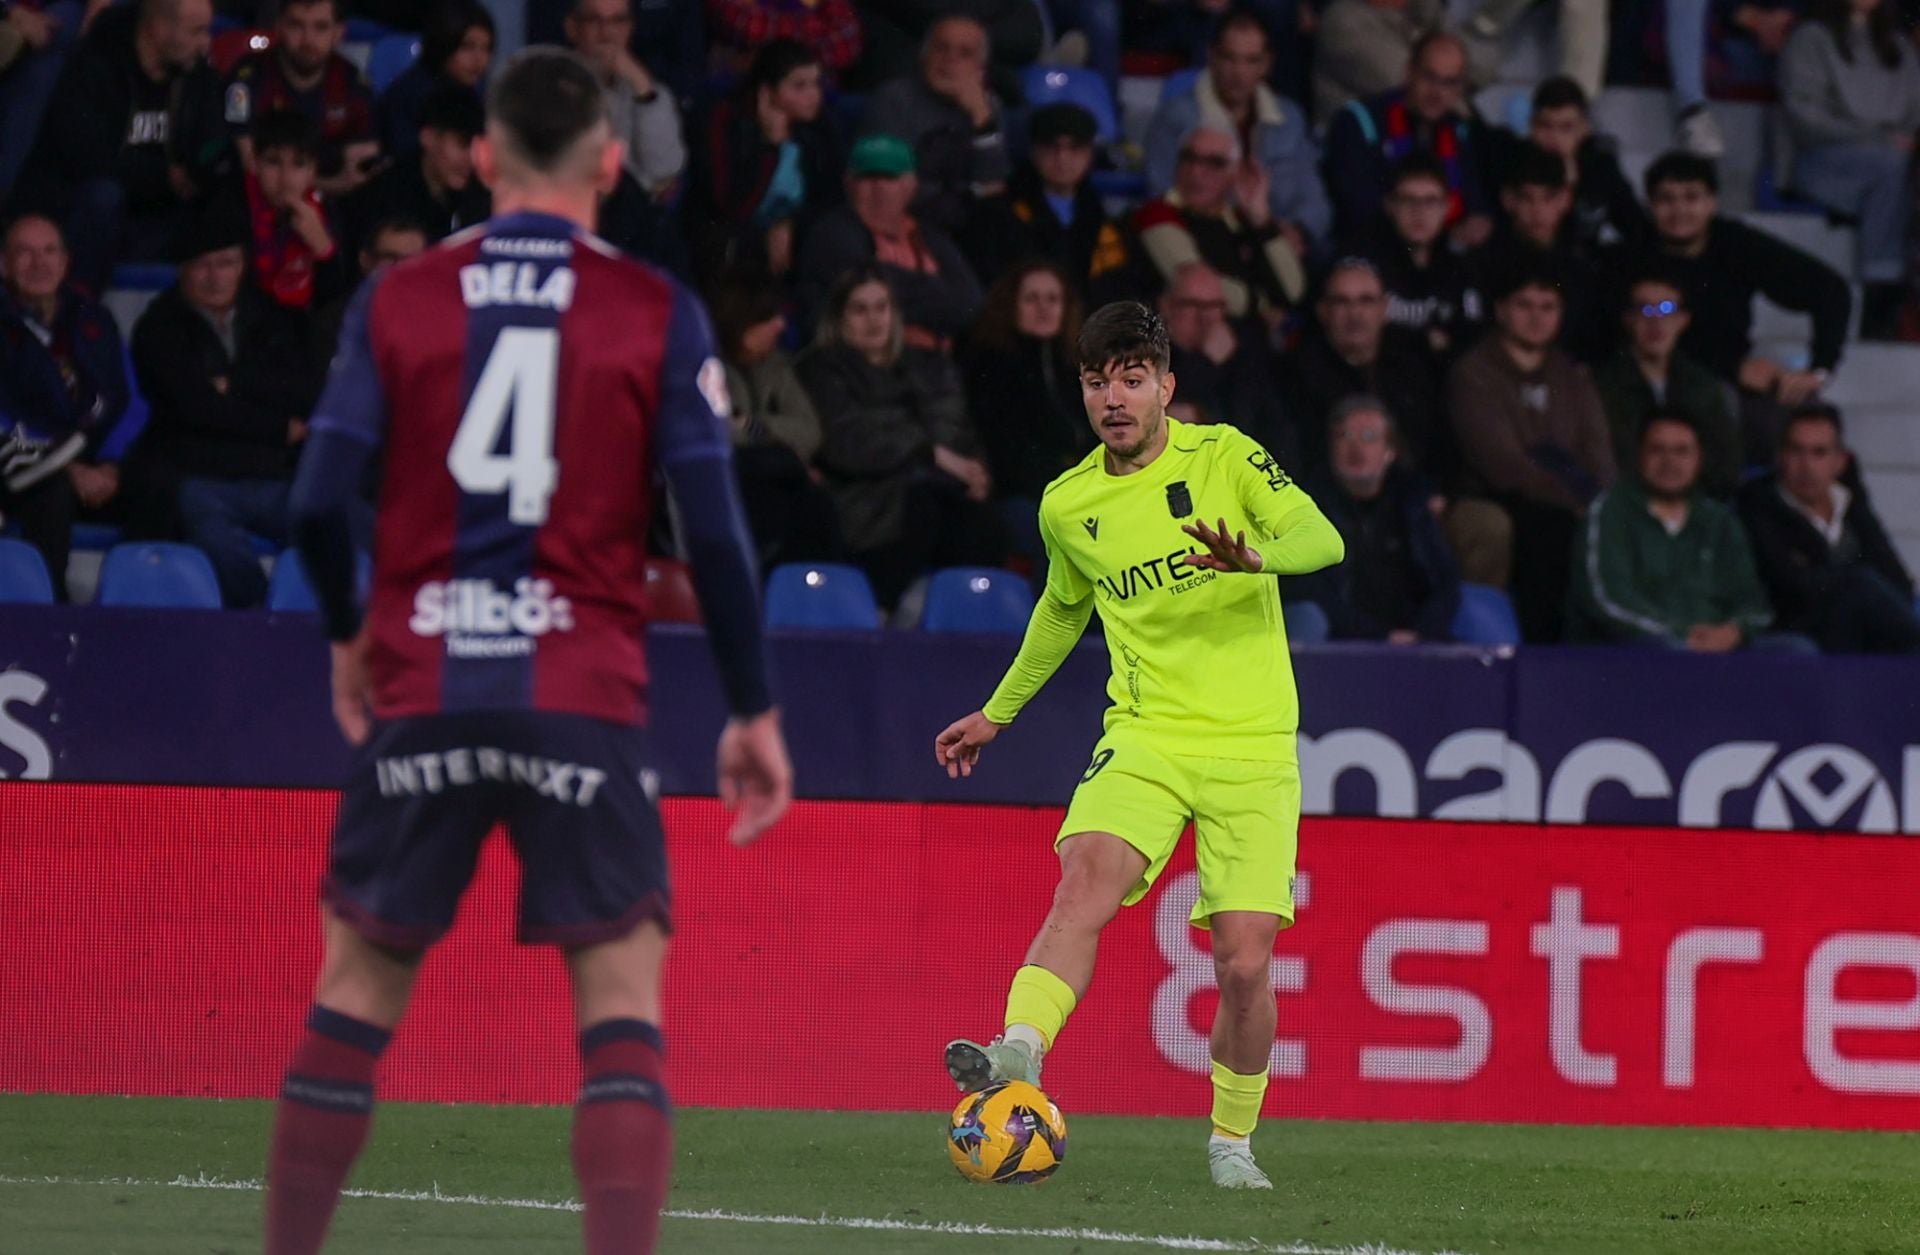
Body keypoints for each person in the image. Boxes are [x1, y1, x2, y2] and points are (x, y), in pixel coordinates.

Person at [266, 48, 792, 1255]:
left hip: (423, 684)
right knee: (618, 1004)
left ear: (485, 160)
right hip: (580, 699)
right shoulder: (656, 308)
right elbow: (713, 531)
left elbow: (309, 504)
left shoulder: (398, 297)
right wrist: (753, 707)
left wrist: (353, 638)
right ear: (611, 163)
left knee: (354, 995)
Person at [932, 300, 1342, 1192]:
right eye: (1095, 380)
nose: (1113, 397)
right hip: (1147, 732)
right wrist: (998, 712)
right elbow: (1059, 609)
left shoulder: (1226, 455)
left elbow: (1324, 536)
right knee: (1085, 873)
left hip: (1250, 743)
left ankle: (1232, 1143)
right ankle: (1018, 1052)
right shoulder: (1070, 504)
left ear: (1165, 385)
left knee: (1242, 963)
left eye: (1130, 377)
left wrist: (1258, 559)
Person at [130, 205, 322, 607]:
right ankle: (256, 624)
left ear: (242, 265)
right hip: (201, 475)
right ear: (183, 269)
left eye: (227, 263)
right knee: (217, 542)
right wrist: (278, 427)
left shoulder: (273, 317)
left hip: (274, 475)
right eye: (203, 266)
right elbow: (193, 409)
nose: (216, 277)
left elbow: (305, 390)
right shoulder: (159, 327)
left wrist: (237, 383)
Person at [1610, 152, 1851, 462]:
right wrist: (1732, 368)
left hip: (1734, 375)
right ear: (1650, 206)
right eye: (1666, 199)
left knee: (1811, 424)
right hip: (1653, 380)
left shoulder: (1734, 243)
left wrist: (1819, 369)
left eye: (1691, 198)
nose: (1679, 210)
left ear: (1712, 203)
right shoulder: (1630, 257)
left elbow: (1830, 290)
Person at [795, 266, 1003, 605]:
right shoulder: (821, 369)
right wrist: (930, 453)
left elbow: (960, 429)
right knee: (922, 508)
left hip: (936, 489)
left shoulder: (927, 366)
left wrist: (977, 470)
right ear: (838, 317)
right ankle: (883, 613)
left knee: (986, 525)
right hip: (863, 496)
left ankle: (967, 631)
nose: (873, 320)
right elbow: (847, 441)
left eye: (881, 307)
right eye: (860, 309)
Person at [1446, 262, 1614, 641]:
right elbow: (1502, 466)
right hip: (1495, 498)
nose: (1536, 317)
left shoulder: (1571, 374)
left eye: (1547, 307)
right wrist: (1575, 500)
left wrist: (1601, 502)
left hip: (1570, 501)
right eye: (1525, 305)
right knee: (1538, 531)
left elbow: (1598, 451)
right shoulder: (1474, 372)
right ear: (1502, 310)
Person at [12, 0, 228, 294]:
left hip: (157, 214)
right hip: (81, 214)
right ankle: (77, 310)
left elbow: (213, 141)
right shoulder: (95, 65)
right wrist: (163, 178)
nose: (206, 43)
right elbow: (85, 156)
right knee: (105, 197)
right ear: (160, 28)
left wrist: (202, 168)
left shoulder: (197, 73)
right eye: (197, 32)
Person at [0, 213, 147, 599]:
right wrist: (68, 467)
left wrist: (112, 466)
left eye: (49, 251)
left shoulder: (93, 317)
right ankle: (51, 611)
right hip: (31, 467)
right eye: (25, 253)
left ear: (65, 262)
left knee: (159, 483)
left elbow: (129, 401)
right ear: (3, 264)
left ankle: (140, 602)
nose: (39, 263)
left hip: (98, 465)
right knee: (49, 491)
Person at [1566, 411, 1785, 649]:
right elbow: (1607, 601)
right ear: (1639, 456)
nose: (1669, 462)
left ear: (1699, 458)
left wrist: (1734, 632)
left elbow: (1752, 601)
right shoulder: (1610, 510)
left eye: (1681, 451)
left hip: (1715, 645)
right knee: (1671, 650)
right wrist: (1683, 635)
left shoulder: (1719, 520)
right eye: (1657, 450)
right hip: (1640, 649)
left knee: (1795, 651)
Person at [1779, 0, 1920, 338]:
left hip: (1894, 160)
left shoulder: (1899, 47)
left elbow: (1914, 115)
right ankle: (1880, 293)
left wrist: (1899, 141)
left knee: (1901, 168)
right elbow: (1804, 117)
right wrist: (1878, 138)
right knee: (1895, 168)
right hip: (1826, 159)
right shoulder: (1810, 38)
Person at [1738, 405, 1920, 653]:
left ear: (1840, 461)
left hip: (1862, 631)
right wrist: (1851, 587)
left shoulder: (1851, 504)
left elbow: (1897, 581)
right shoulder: (1757, 506)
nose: (1806, 466)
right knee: (1860, 585)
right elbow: (1790, 586)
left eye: (1819, 453)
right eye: (1796, 451)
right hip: (1800, 629)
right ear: (1781, 456)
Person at [1142, 13, 1331, 252]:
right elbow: (1160, 194)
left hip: (1274, 240)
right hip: (1202, 243)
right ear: (1212, 56)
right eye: (1230, 59)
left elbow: (1313, 197)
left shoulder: (1289, 118)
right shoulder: (1175, 117)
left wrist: (1299, 231)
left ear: (1266, 64)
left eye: (1251, 61)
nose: (1239, 73)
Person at [959, 259, 1093, 574]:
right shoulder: (989, 364)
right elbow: (1004, 450)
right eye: (1032, 299)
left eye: (1052, 299)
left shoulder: (1077, 367)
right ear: (1011, 305)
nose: (1043, 308)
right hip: (1018, 495)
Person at [796, 134, 982, 352]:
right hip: (858, 365)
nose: (878, 188)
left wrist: (908, 301)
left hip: (933, 368)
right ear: (848, 184)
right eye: (867, 178)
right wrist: (938, 297)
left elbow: (971, 304)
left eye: (888, 177)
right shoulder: (831, 236)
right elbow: (870, 286)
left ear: (911, 185)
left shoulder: (929, 235)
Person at [1293, 397, 1459, 642]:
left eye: (1369, 437)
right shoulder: (1306, 505)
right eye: (1345, 436)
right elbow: (1312, 590)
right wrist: (1379, 637)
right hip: (1341, 642)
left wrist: (1421, 634)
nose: (1356, 448)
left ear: (1390, 452)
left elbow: (1444, 580)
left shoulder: (1412, 504)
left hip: (1416, 640)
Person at [708, 276, 844, 569]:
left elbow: (809, 433)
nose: (781, 325)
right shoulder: (707, 366)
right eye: (769, 318)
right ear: (742, 325)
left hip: (777, 485)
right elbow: (719, 430)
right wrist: (772, 441)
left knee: (815, 504)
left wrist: (754, 425)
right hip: (729, 488)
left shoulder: (776, 366)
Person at [683, 38, 843, 286]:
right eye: (799, 86)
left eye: (816, 83)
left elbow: (831, 197)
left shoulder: (818, 127)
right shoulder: (724, 122)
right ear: (768, 92)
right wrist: (771, 145)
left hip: (793, 240)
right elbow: (730, 206)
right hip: (731, 242)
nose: (814, 95)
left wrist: (792, 225)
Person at [1322, 31, 1493, 246]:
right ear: (1409, 72)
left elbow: (1474, 201)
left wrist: (1478, 221)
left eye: (1449, 83)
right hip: (1375, 250)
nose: (1437, 93)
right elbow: (1358, 209)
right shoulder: (1360, 121)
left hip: (1441, 255)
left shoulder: (1458, 129)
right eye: (1430, 77)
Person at [1282, 256, 1444, 476]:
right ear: (1322, 311)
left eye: (1366, 300)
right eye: (1342, 301)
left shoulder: (1413, 366)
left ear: (1384, 309)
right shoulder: (1296, 375)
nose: (1355, 314)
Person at [963, 102, 1134, 307]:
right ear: (1034, 152)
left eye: (1074, 147)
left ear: (1089, 155)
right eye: (1051, 146)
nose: (1062, 157)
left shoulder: (1102, 218)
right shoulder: (999, 214)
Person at [1133, 124, 1305, 324]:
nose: (1196, 172)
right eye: (1188, 158)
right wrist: (1262, 305)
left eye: (1214, 163)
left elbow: (1293, 291)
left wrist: (1260, 217)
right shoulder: (1157, 214)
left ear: (1235, 172)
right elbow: (1200, 288)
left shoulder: (1242, 220)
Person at [858, 15, 1010, 237]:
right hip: (906, 224)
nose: (950, 59)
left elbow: (994, 187)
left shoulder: (989, 106)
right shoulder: (893, 100)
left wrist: (981, 119)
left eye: (965, 53)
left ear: (980, 68)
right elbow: (888, 185)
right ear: (924, 55)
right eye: (941, 48)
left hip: (970, 227)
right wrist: (970, 194)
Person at [1592, 273, 1741, 497]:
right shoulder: (1602, 386)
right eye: (1645, 309)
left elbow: (1726, 463)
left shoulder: (1703, 385)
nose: (1656, 321)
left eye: (1666, 309)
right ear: (1628, 319)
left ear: (1683, 319)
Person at [222, 0, 377, 198]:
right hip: (254, 205)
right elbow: (251, 167)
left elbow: (359, 176)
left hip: (336, 209)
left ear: (338, 33)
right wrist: (330, 184)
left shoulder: (354, 85)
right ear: (278, 27)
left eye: (320, 27)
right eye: (296, 25)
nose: (307, 40)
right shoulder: (244, 81)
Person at [1352, 154, 1484, 365]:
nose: (1419, 212)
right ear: (1390, 205)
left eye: (1430, 201)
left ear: (1447, 207)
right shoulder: (1364, 265)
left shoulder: (1462, 268)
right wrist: (1425, 340)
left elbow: (1472, 339)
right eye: (1408, 200)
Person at [1475, 142, 1603, 361]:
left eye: (1548, 197)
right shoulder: (1482, 263)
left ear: (1565, 199)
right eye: (1527, 198)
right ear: (1508, 199)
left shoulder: (1581, 268)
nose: (1537, 210)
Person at [1157, 261, 1295, 461]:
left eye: (1215, 306)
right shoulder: (1146, 353)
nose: (1207, 317)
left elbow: (1268, 426)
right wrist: (1207, 361)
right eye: (1193, 305)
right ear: (1166, 307)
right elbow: (1162, 403)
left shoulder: (1246, 354)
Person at [338, 82, 489, 257]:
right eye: (462, 144)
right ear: (428, 137)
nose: (471, 158)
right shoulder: (382, 198)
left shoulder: (483, 198)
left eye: (477, 146)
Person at [565, 0, 686, 202]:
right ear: (572, 28)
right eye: (594, 20)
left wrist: (642, 88)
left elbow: (665, 170)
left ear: (630, 28)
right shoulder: (550, 84)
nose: (606, 33)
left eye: (617, 21)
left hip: (636, 220)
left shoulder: (650, 90)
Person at [239, 110, 349, 311]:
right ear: (254, 162)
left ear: (312, 171)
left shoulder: (328, 210)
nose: (285, 178)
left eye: (298, 164)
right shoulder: (234, 207)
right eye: (273, 162)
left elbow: (334, 303)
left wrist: (324, 247)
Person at [1523, 76, 1646, 255]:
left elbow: (1635, 227)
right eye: (1545, 125)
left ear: (1584, 128)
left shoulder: (1600, 167)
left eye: (1566, 127)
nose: (1554, 138)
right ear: (1532, 126)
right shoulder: (1514, 164)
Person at [375, 0, 492, 163]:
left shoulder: (474, 91)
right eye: (467, 47)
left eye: (486, 48)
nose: (480, 59)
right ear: (444, 45)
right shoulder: (408, 96)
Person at [309, 214, 427, 360]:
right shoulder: (337, 323)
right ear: (365, 260)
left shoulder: (436, 320)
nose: (402, 269)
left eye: (414, 262)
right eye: (392, 258)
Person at [1310, 0, 1446, 122]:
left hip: (1418, 137)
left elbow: (1458, 56)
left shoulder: (1419, 11)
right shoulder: (1343, 22)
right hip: (1363, 144)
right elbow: (1416, 85)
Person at [705, 0, 863, 79]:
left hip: (819, 96)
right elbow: (747, 26)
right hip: (746, 92)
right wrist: (818, 29)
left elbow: (845, 44)